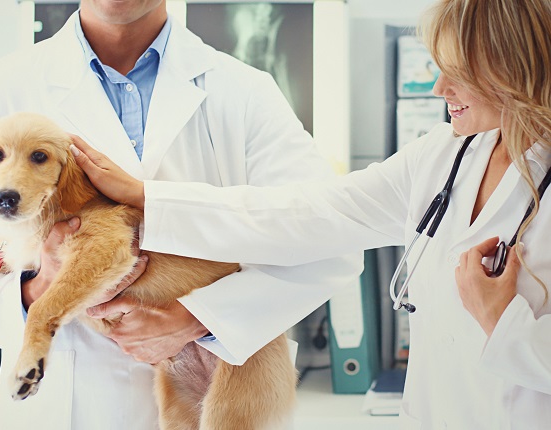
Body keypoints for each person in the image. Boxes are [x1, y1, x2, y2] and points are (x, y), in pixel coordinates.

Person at [70, 0, 551, 428]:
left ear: (514, 68)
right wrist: (149, 199)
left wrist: (502, 324)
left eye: (459, 72)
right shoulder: (444, 155)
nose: (438, 87)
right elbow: (308, 213)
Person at [0, 0, 361, 428]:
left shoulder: (246, 91)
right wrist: (44, 287)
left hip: (223, 386)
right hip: (71, 406)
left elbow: (331, 240)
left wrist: (203, 319)